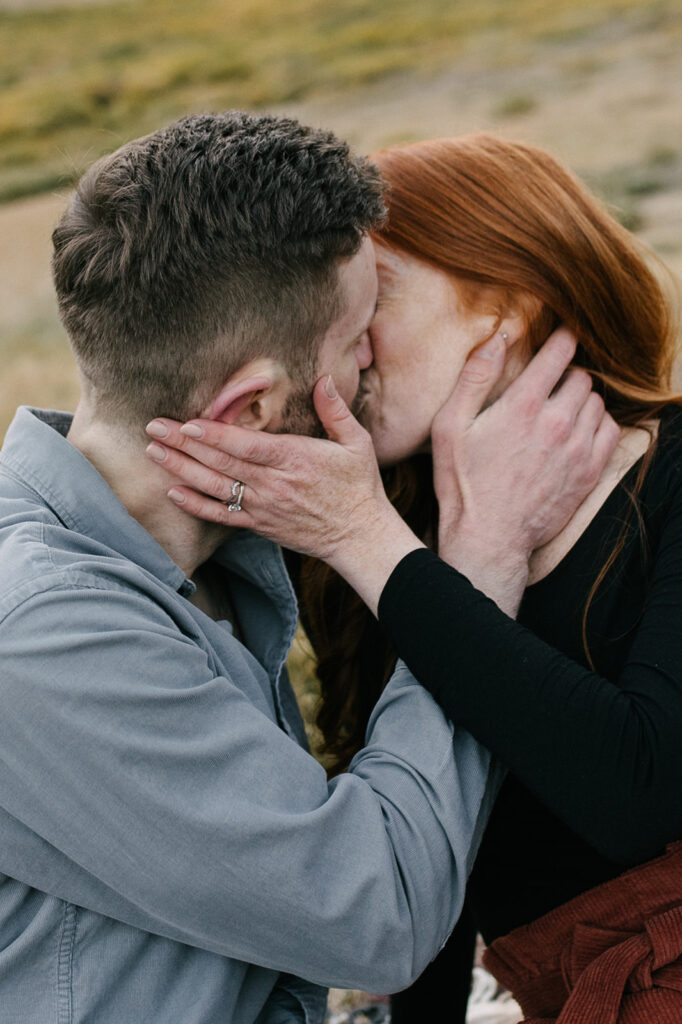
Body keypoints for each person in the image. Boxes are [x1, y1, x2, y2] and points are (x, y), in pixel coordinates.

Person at [0, 115, 614, 1024]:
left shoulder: (203, 556)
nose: (376, 358)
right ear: (251, 408)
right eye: (358, 334)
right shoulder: (47, 635)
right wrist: (478, 567)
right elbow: (375, 914)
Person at [151, 134, 682, 1022]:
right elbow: (417, 848)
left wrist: (370, 543)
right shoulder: (384, 524)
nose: (343, 350)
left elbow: (639, 789)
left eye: (374, 302)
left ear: (507, 299)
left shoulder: (670, 477)